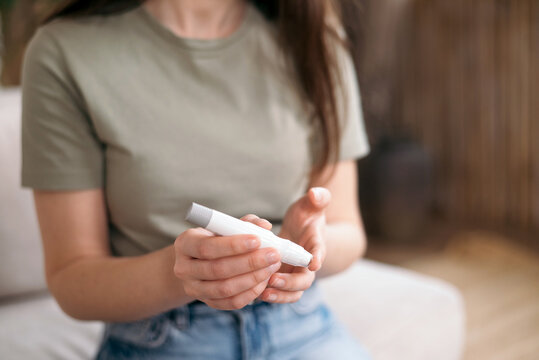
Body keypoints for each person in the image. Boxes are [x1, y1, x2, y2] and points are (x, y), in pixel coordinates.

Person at [21, 0, 371, 358]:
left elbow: (348, 230)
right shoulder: (64, 52)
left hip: (304, 328)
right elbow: (71, 279)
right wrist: (179, 275)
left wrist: (302, 248)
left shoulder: (313, 39)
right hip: (159, 340)